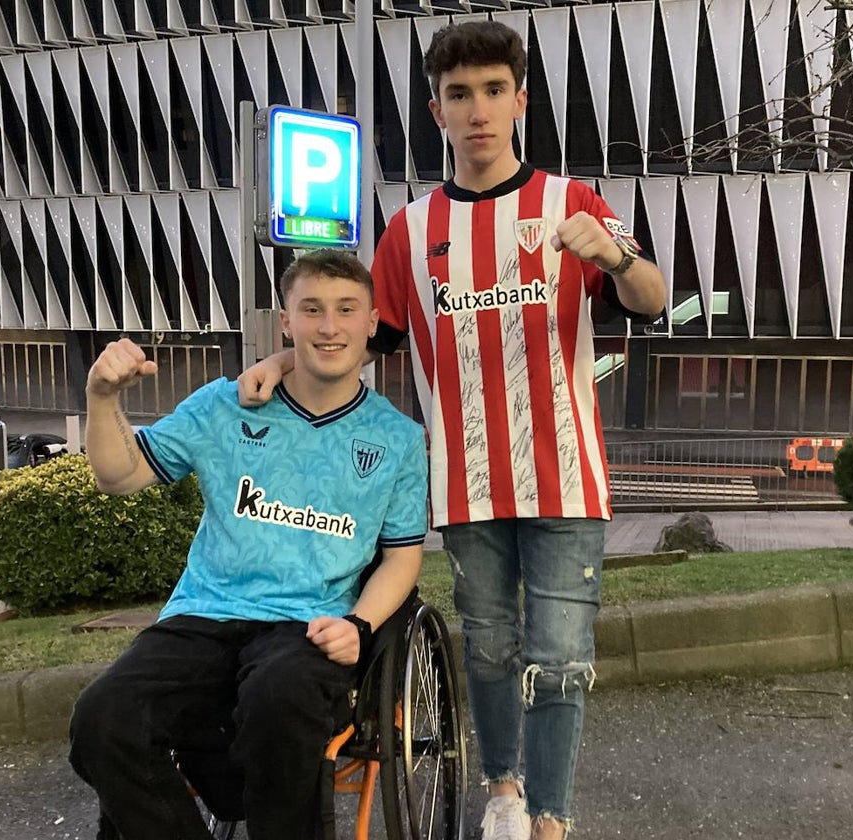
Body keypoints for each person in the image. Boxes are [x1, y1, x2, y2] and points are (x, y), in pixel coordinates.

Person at [237, 21, 667, 840]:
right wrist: (277, 366)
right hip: (465, 483)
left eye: (494, 91)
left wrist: (613, 256)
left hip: (568, 479)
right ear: (437, 110)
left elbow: (651, 298)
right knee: (492, 651)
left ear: (520, 101)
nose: (478, 110)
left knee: (563, 659)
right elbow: (358, 339)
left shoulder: (571, 205)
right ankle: (501, 787)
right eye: (460, 94)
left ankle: (550, 819)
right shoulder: (409, 231)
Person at [68, 249, 429, 840]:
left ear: (372, 322)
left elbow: (402, 555)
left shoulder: (398, 438)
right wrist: (102, 398)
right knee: (102, 719)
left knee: (278, 696)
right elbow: (117, 476)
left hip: (308, 625)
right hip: (204, 614)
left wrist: (360, 626)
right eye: (311, 309)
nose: (329, 326)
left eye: (345, 310)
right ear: (285, 322)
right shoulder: (222, 405)